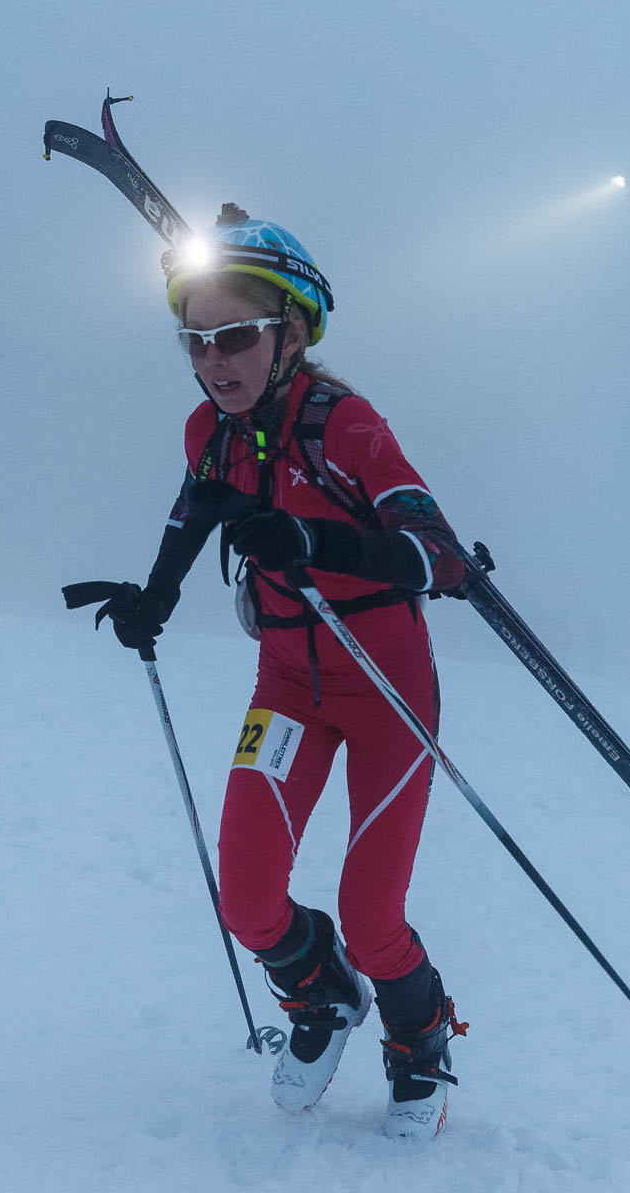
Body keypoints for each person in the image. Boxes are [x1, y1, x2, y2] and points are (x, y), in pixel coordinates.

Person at [91, 204, 470, 1138]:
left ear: (290, 334)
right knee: (248, 901)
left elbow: (438, 555)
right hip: (286, 689)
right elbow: (195, 513)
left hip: (387, 693)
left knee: (372, 912)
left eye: (236, 337)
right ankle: (320, 997)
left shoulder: (346, 426)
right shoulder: (209, 433)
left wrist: (308, 537)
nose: (214, 361)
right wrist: (155, 598)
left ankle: (418, 1042)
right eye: (195, 342)